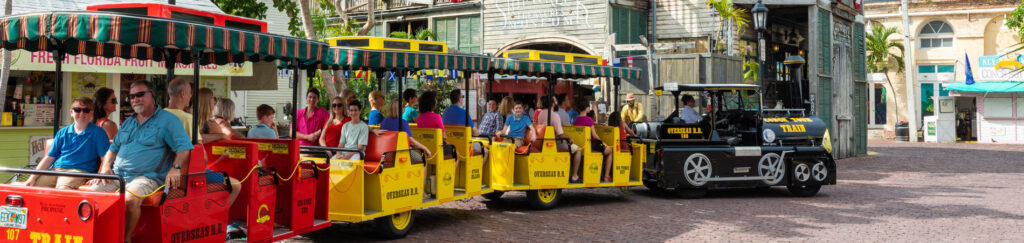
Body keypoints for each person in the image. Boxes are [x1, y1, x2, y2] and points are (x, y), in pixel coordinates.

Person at [88, 80, 193, 242]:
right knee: (91, 196)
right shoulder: (128, 122)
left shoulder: (168, 120)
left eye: (140, 95)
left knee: (130, 199)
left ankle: (125, 239)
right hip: (118, 176)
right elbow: (113, 149)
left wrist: (176, 167)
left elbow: (183, 147)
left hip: (147, 177)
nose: (135, 99)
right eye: (131, 96)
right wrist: (105, 167)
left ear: (153, 96)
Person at [24, 97, 110, 189]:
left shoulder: (98, 132)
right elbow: (49, 158)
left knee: (63, 188)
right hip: (56, 169)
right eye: (77, 110)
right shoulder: (62, 132)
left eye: (86, 110)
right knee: (31, 187)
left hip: (78, 170)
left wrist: (100, 175)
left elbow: (105, 158)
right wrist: (32, 178)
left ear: (91, 113)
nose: (81, 113)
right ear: (71, 112)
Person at [535, 96, 582, 182]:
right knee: (578, 150)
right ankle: (574, 176)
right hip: (555, 143)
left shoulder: (541, 114)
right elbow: (560, 134)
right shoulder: (554, 115)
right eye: (555, 102)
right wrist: (569, 138)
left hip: (543, 142)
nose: (556, 103)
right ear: (552, 104)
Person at [573, 100, 613, 182]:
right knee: (610, 151)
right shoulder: (588, 120)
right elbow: (595, 136)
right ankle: (606, 176)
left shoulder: (576, 120)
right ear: (587, 109)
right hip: (591, 145)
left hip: (581, 145)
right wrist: (603, 142)